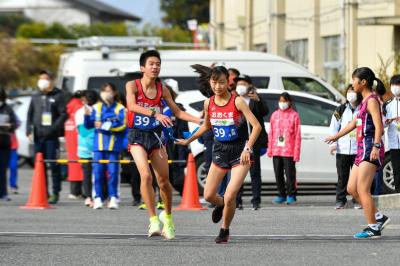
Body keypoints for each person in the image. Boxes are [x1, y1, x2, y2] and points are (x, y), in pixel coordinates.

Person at [176, 66, 261, 244]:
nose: (218, 86)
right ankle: (221, 204)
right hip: (220, 150)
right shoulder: (209, 103)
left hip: (240, 152)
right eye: (214, 82)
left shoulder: (237, 102)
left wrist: (248, 148)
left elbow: (257, 126)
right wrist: (188, 140)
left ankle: (224, 230)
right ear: (210, 82)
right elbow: (206, 126)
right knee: (208, 196)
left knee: (230, 195)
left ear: (228, 83)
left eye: (222, 82)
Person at [125, 50, 201, 240]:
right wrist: (155, 114)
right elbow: (131, 106)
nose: (155, 67)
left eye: (158, 64)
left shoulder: (163, 89)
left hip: (157, 137)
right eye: (151, 63)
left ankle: (167, 218)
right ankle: (153, 220)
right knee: (145, 175)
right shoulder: (132, 85)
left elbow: (177, 112)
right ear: (142, 68)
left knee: (163, 182)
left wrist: (198, 120)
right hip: (137, 136)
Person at [325, 67, 390, 239]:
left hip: (370, 147)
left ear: (363, 82)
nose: (352, 83)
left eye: (354, 80)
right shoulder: (364, 101)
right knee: (351, 188)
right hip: (362, 148)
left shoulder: (372, 101)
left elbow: (379, 126)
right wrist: (336, 136)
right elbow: (353, 123)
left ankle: (373, 228)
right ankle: (378, 217)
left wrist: (376, 146)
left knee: (362, 189)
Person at [26, 70, 67, 204]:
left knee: (53, 164)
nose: (42, 81)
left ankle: (55, 192)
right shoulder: (35, 96)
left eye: (45, 78)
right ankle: (44, 191)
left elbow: (63, 114)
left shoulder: (58, 95)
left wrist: (54, 128)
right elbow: (30, 115)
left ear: (51, 80)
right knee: (40, 166)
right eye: (40, 78)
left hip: (52, 136)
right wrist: (28, 130)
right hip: (38, 136)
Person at [84, 83, 126, 210]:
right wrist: (86, 116)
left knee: (113, 173)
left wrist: (104, 125)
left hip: (113, 147)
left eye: (108, 91)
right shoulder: (96, 107)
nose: (106, 93)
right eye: (104, 91)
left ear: (114, 93)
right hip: (98, 147)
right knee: (97, 173)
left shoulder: (120, 108)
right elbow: (88, 125)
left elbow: (122, 125)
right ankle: (98, 198)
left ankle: (113, 197)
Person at [234, 74, 268, 210]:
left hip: (254, 141)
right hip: (239, 140)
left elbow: (265, 112)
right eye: (238, 83)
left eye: (243, 83)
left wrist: (258, 100)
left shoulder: (255, 98)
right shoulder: (234, 99)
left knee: (254, 172)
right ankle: (238, 201)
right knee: (238, 171)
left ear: (249, 85)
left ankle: (256, 201)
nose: (240, 86)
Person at [329, 85, 362, 209]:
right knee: (342, 177)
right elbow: (333, 127)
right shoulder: (340, 110)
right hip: (342, 149)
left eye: (353, 92)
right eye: (349, 92)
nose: (351, 94)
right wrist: (333, 144)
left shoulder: (362, 109)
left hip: (358, 149)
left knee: (357, 178)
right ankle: (340, 200)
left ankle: (357, 200)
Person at [268, 92, 301, 205]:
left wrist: (296, 153)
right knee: (278, 173)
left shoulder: (294, 115)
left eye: (284, 101)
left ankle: (291, 194)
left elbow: (297, 135)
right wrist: (270, 149)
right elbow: (271, 133)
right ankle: (281, 194)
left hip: (289, 151)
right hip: (276, 150)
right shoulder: (274, 115)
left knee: (290, 174)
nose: (282, 103)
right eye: (280, 101)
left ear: (289, 102)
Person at [75, 90, 99, 207]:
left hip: (98, 147)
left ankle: (96, 196)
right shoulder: (80, 112)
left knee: (96, 172)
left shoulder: (99, 110)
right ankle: (89, 196)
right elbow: (82, 131)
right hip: (86, 148)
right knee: (88, 173)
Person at [65, 91, 84, 199]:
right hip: (80, 139)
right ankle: (81, 191)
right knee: (82, 165)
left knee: (72, 164)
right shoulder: (80, 107)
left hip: (69, 139)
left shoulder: (67, 107)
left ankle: (74, 191)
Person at [383, 74, 400, 193]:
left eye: (398, 85)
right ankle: (398, 192)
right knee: (396, 168)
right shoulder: (387, 104)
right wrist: (387, 121)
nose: (395, 88)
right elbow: (382, 123)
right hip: (394, 142)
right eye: (393, 85)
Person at [0, 88, 18, 201]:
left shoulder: (8, 109)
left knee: (2, 169)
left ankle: (3, 193)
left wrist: (10, 126)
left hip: (4, 143)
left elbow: (15, 124)